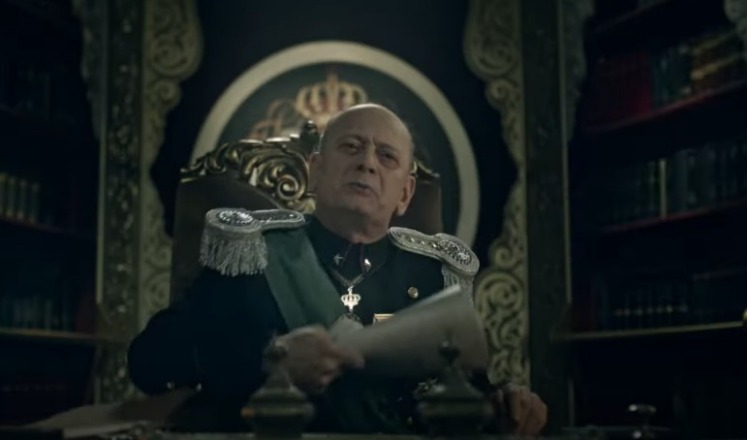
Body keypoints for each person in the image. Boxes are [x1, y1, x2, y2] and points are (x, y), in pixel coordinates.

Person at [127, 103, 547, 435]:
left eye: (386, 156)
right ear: (315, 171)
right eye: (350, 147)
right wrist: (270, 363)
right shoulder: (251, 256)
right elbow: (150, 360)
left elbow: (470, 391)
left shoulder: (434, 274)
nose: (367, 163)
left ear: (405, 194)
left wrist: (505, 402)